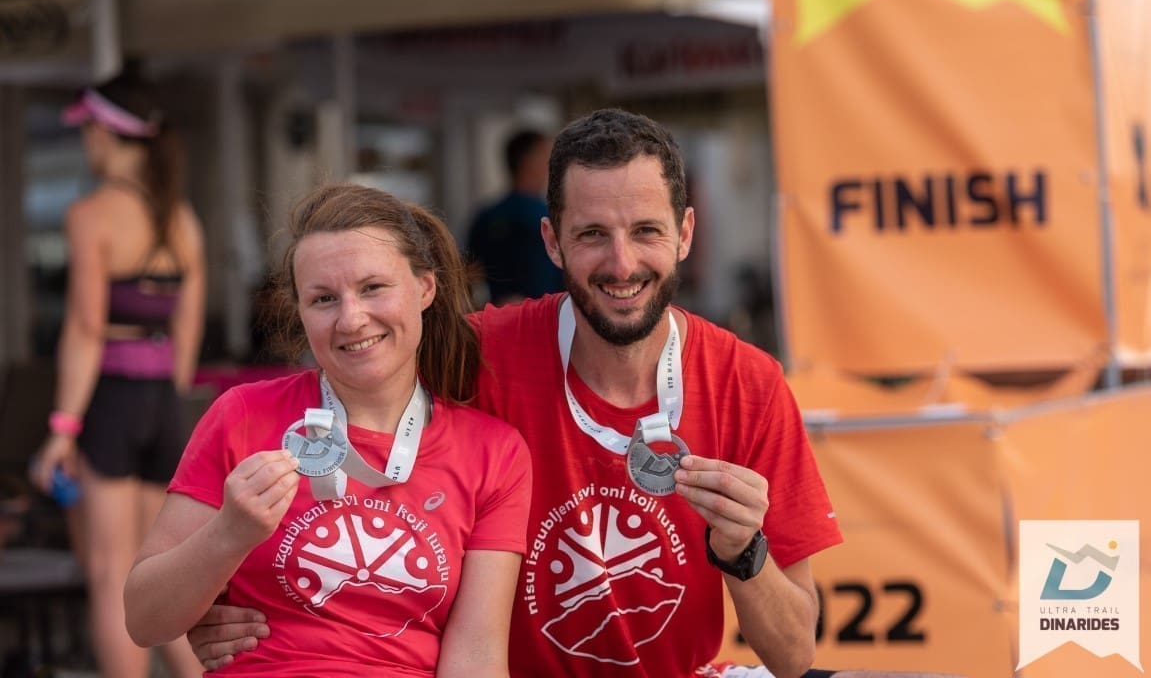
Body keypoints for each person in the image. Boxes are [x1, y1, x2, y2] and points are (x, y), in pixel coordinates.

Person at [189, 109, 846, 677]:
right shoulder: (475, 354)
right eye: (592, 234)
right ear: (551, 242)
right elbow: (354, 384)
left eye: (646, 230)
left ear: (686, 233)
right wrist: (228, 603)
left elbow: (793, 655)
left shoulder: (747, 383)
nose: (621, 263)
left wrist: (743, 552)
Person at [123, 183, 532, 677]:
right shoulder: (243, 415)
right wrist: (228, 535)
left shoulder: (494, 452)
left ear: (426, 288)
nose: (351, 319)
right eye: (323, 299)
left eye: (373, 288)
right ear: (300, 310)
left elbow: (477, 654)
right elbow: (144, 620)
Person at [29, 70, 206, 678]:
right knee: (160, 571)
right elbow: (186, 332)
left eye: (87, 132)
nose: (86, 144)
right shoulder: (181, 217)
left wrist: (62, 428)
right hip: (163, 404)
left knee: (112, 575)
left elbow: (84, 328)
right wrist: (163, 401)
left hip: (110, 402)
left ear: (103, 133)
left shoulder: (92, 214)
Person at [466, 128, 563, 305]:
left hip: (501, 314)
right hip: (546, 315)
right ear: (530, 161)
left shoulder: (486, 216)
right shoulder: (550, 217)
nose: (552, 165)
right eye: (547, 157)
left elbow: (468, 276)